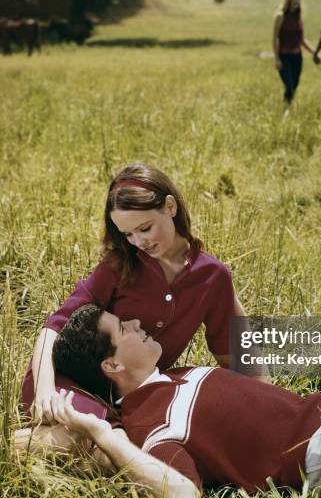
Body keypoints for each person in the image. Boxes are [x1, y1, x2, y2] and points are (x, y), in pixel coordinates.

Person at [18, 275, 321, 498]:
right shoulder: (149, 428)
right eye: (124, 329)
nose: (137, 324)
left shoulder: (177, 373)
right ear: (112, 366)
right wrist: (100, 431)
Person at [22, 163, 269, 436]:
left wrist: (271, 406)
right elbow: (54, 327)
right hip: (70, 385)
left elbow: (238, 357)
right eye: (128, 234)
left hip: (137, 393)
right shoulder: (120, 265)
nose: (139, 242)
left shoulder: (212, 276)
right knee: (99, 439)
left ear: (170, 207)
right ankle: (18, 446)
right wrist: (44, 387)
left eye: (145, 228)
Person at [272, 0, 318, 104]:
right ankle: (286, 107)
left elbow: (302, 40)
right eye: (294, 1)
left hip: (297, 57)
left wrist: (314, 52)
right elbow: (275, 38)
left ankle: (287, 105)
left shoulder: (299, 18)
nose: (296, 4)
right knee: (289, 85)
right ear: (288, 2)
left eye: (298, 2)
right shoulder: (280, 16)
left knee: (295, 85)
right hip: (284, 56)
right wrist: (276, 58)